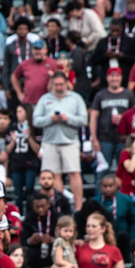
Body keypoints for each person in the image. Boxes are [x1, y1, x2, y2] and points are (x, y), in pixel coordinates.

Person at [32, 72, 88, 205]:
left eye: (61, 84)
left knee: (74, 173)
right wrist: (49, 119)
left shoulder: (76, 98)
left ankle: (78, 207)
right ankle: (58, 205)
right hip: (50, 142)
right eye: (56, 84)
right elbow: (35, 120)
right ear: (51, 84)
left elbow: (84, 119)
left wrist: (68, 118)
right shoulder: (44, 99)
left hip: (70, 142)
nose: (58, 87)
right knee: (54, 175)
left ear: (67, 83)